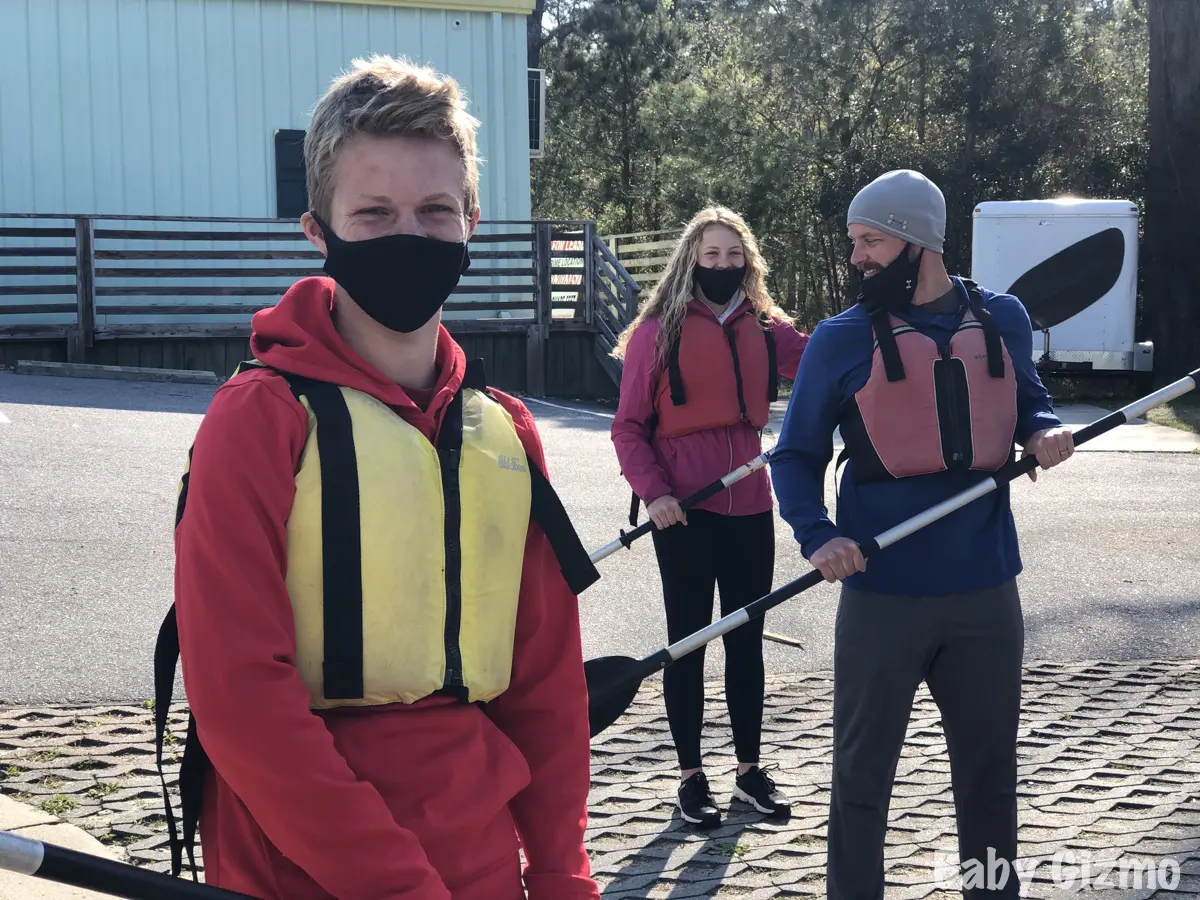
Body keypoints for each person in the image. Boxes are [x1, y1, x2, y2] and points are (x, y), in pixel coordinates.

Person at [152, 55, 603, 900]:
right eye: (374, 213)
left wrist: (560, 873)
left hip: (476, 857)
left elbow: (547, 689)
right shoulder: (258, 422)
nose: (411, 236)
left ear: (472, 218)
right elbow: (241, 701)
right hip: (296, 865)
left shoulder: (504, 431)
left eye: (437, 211)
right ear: (318, 230)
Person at [769, 169, 1076, 899]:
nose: (857, 259)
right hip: (884, 593)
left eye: (870, 242)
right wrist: (816, 534)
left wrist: (1046, 432)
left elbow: (1029, 404)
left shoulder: (1001, 318)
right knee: (862, 777)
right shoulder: (841, 340)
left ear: (918, 242)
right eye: (854, 243)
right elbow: (795, 453)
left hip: (986, 587)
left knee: (989, 774)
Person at [609, 207, 810, 828]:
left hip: (750, 502)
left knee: (746, 639)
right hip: (684, 514)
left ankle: (749, 772)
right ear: (690, 259)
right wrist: (656, 493)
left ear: (747, 260)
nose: (722, 265)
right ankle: (691, 777)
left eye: (733, 255)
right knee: (689, 642)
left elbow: (823, 365)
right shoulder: (657, 332)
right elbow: (628, 429)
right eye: (711, 254)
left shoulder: (764, 324)